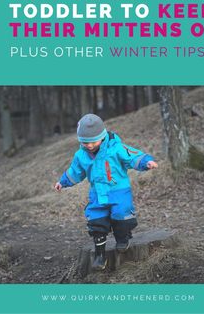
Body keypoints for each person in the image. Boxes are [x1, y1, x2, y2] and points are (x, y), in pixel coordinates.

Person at [55, 114, 158, 270]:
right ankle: (100, 255)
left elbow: (132, 156)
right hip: (97, 193)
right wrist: (63, 182)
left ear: (102, 137)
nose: (89, 146)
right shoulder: (81, 155)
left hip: (119, 191)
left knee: (121, 216)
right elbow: (75, 171)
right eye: (85, 142)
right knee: (96, 221)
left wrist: (146, 162)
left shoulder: (116, 148)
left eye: (93, 142)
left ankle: (123, 238)